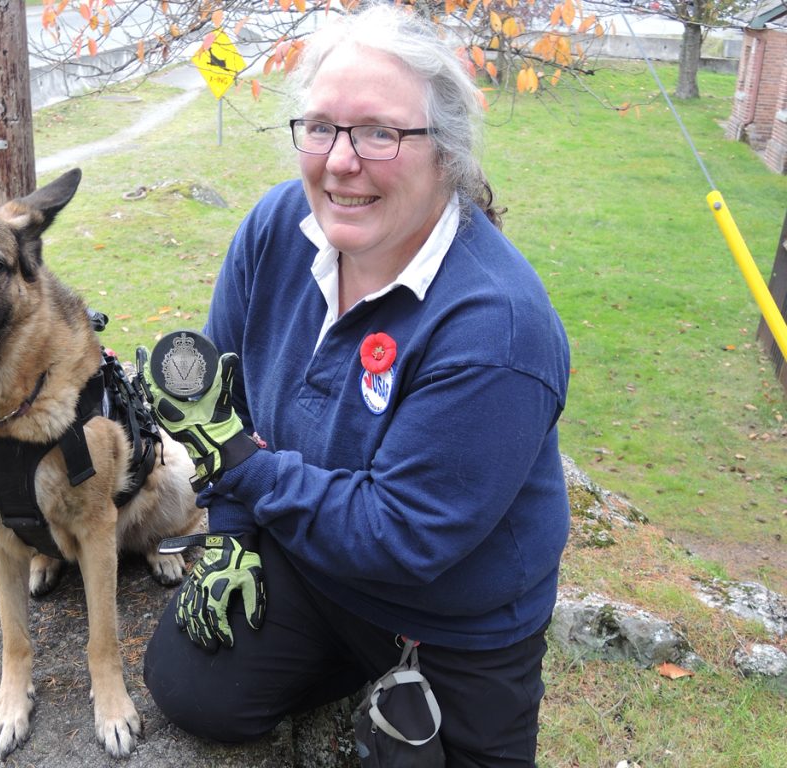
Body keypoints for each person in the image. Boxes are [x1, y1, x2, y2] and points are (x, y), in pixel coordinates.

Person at [140, 4, 570, 766]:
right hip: (311, 562)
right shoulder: (276, 229)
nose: (341, 161)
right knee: (188, 685)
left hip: (452, 617)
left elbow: (402, 536)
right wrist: (234, 537)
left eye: (380, 133)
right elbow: (221, 406)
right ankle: (349, 667)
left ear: (447, 151)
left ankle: (402, 677)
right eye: (321, 127)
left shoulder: (496, 328)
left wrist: (248, 468)